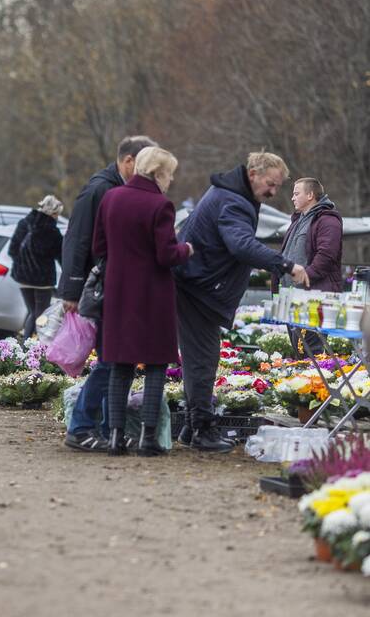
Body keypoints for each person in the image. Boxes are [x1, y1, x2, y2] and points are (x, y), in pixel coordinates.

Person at [175, 152, 309, 452]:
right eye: (270, 184)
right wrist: (286, 265)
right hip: (199, 288)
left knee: (202, 358)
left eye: (277, 186)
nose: (274, 192)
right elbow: (241, 245)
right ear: (252, 174)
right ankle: (201, 429)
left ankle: (190, 426)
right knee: (203, 360)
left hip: (197, 285)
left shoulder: (230, 193)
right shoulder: (234, 201)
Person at [92, 147, 192, 456]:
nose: (171, 180)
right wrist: (186, 249)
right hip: (152, 294)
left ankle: (115, 438)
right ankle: (148, 439)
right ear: (158, 173)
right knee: (155, 366)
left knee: (120, 365)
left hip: (118, 291)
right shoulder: (161, 205)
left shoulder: (112, 198)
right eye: (170, 174)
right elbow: (165, 255)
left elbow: (99, 246)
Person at [60, 135, 158, 452]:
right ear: (128, 161)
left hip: (109, 288)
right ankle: (81, 427)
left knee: (113, 361)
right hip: (100, 290)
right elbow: (77, 240)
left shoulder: (114, 188)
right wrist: (72, 289)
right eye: (145, 167)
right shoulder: (100, 189)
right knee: (109, 362)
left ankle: (103, 428)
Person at [279, 178, 343, 355]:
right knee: (299, 352)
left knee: (310, 354)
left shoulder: (328, 221)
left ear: (310, 195)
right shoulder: (298, 220)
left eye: (296, 193)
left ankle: (316, 383)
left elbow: (327, 256)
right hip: (293, 298)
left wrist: (305, 275)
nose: (292, 198)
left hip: (314, 299)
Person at [9, 195, 64, 339]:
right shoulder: (53, 232)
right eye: (57, 214)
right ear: (52, 213)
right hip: (43, 280)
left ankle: (26, 346)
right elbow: (62, 257)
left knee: (32, 312)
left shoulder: (24, 223)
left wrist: (23, 265)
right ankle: (33, 349)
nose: (57, 217)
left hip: (22, 278)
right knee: (40, 314)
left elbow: (12, 250)